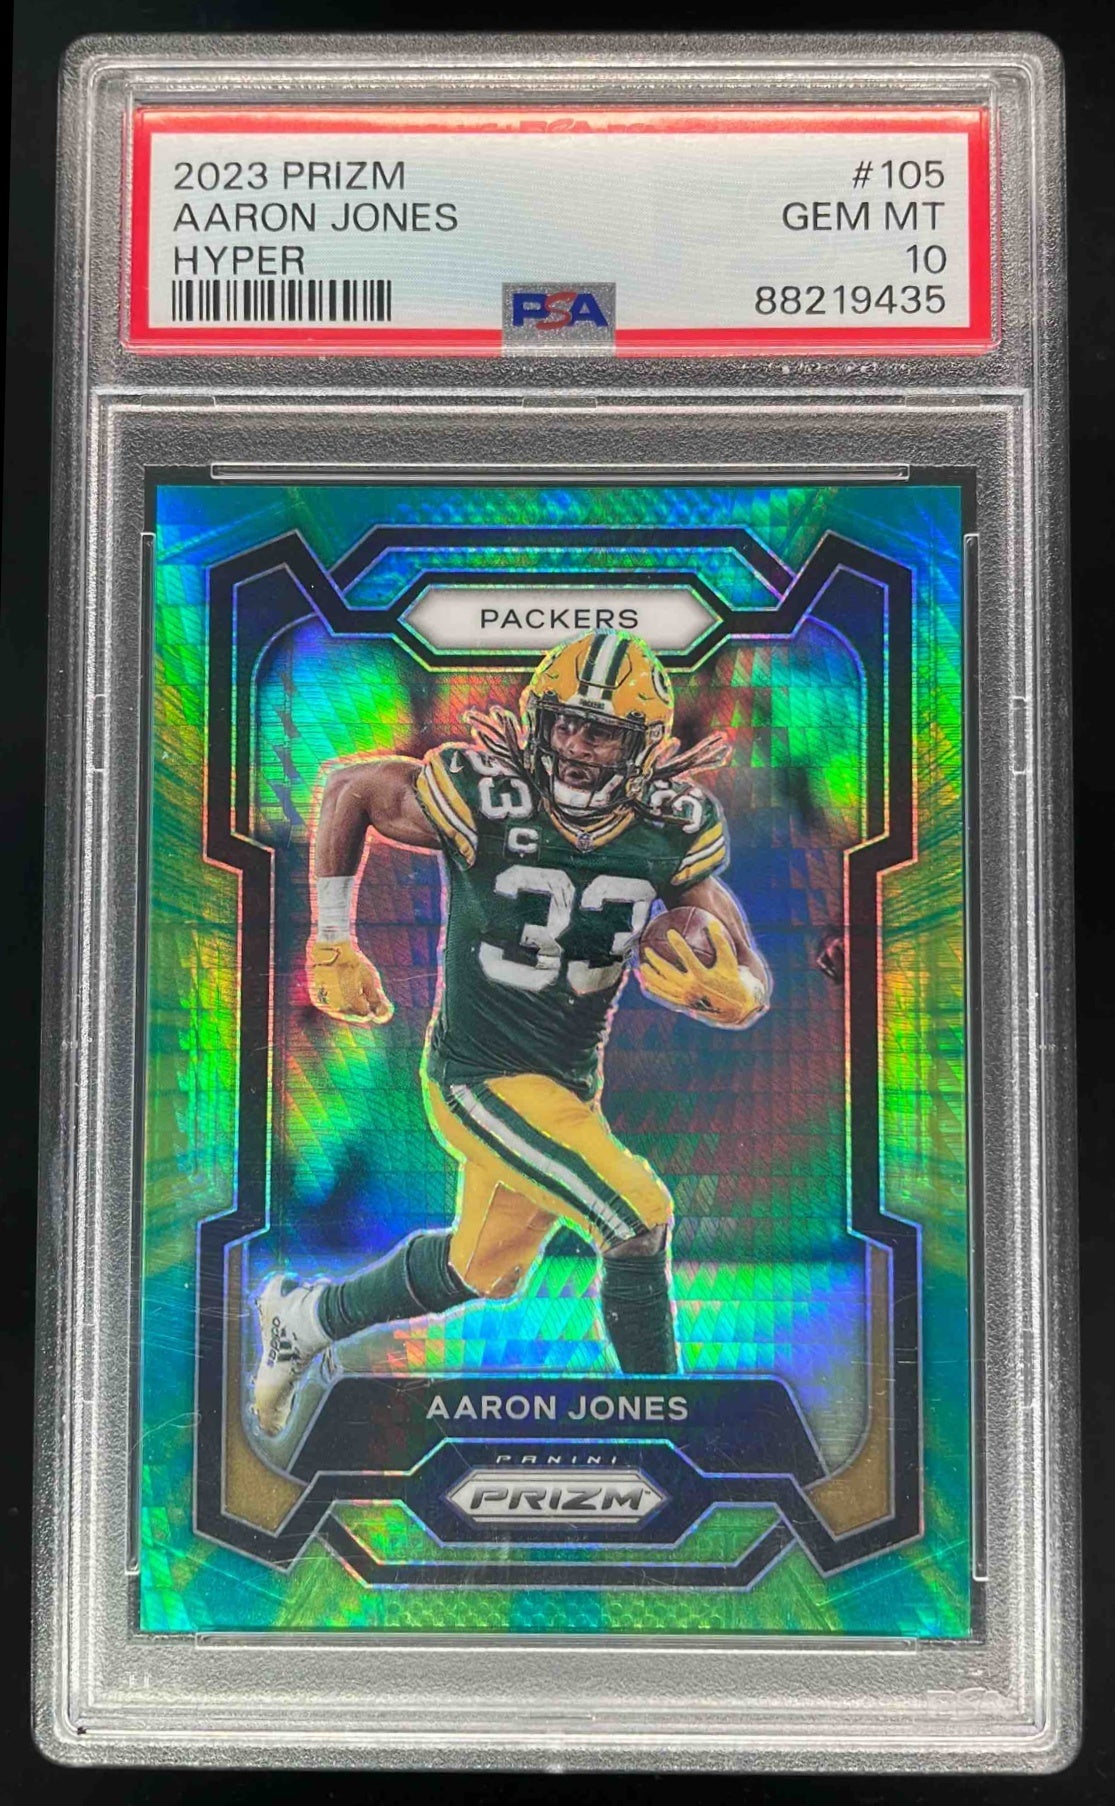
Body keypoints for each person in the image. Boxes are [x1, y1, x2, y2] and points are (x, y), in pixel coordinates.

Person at [253, 630, 770, 1435]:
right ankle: (665, 1424)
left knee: (478, 1268)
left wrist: (742, 989)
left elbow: (718, 921)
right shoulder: (487, 797)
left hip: (564, 1088)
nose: (577, 747)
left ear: (640, 746)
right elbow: (353, 787)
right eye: (566, 724)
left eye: (602, 733)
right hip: (477, 1077)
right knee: (637, 1216)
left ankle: (306, 1319)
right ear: (537, 721)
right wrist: (331, 939)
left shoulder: (668, 826)